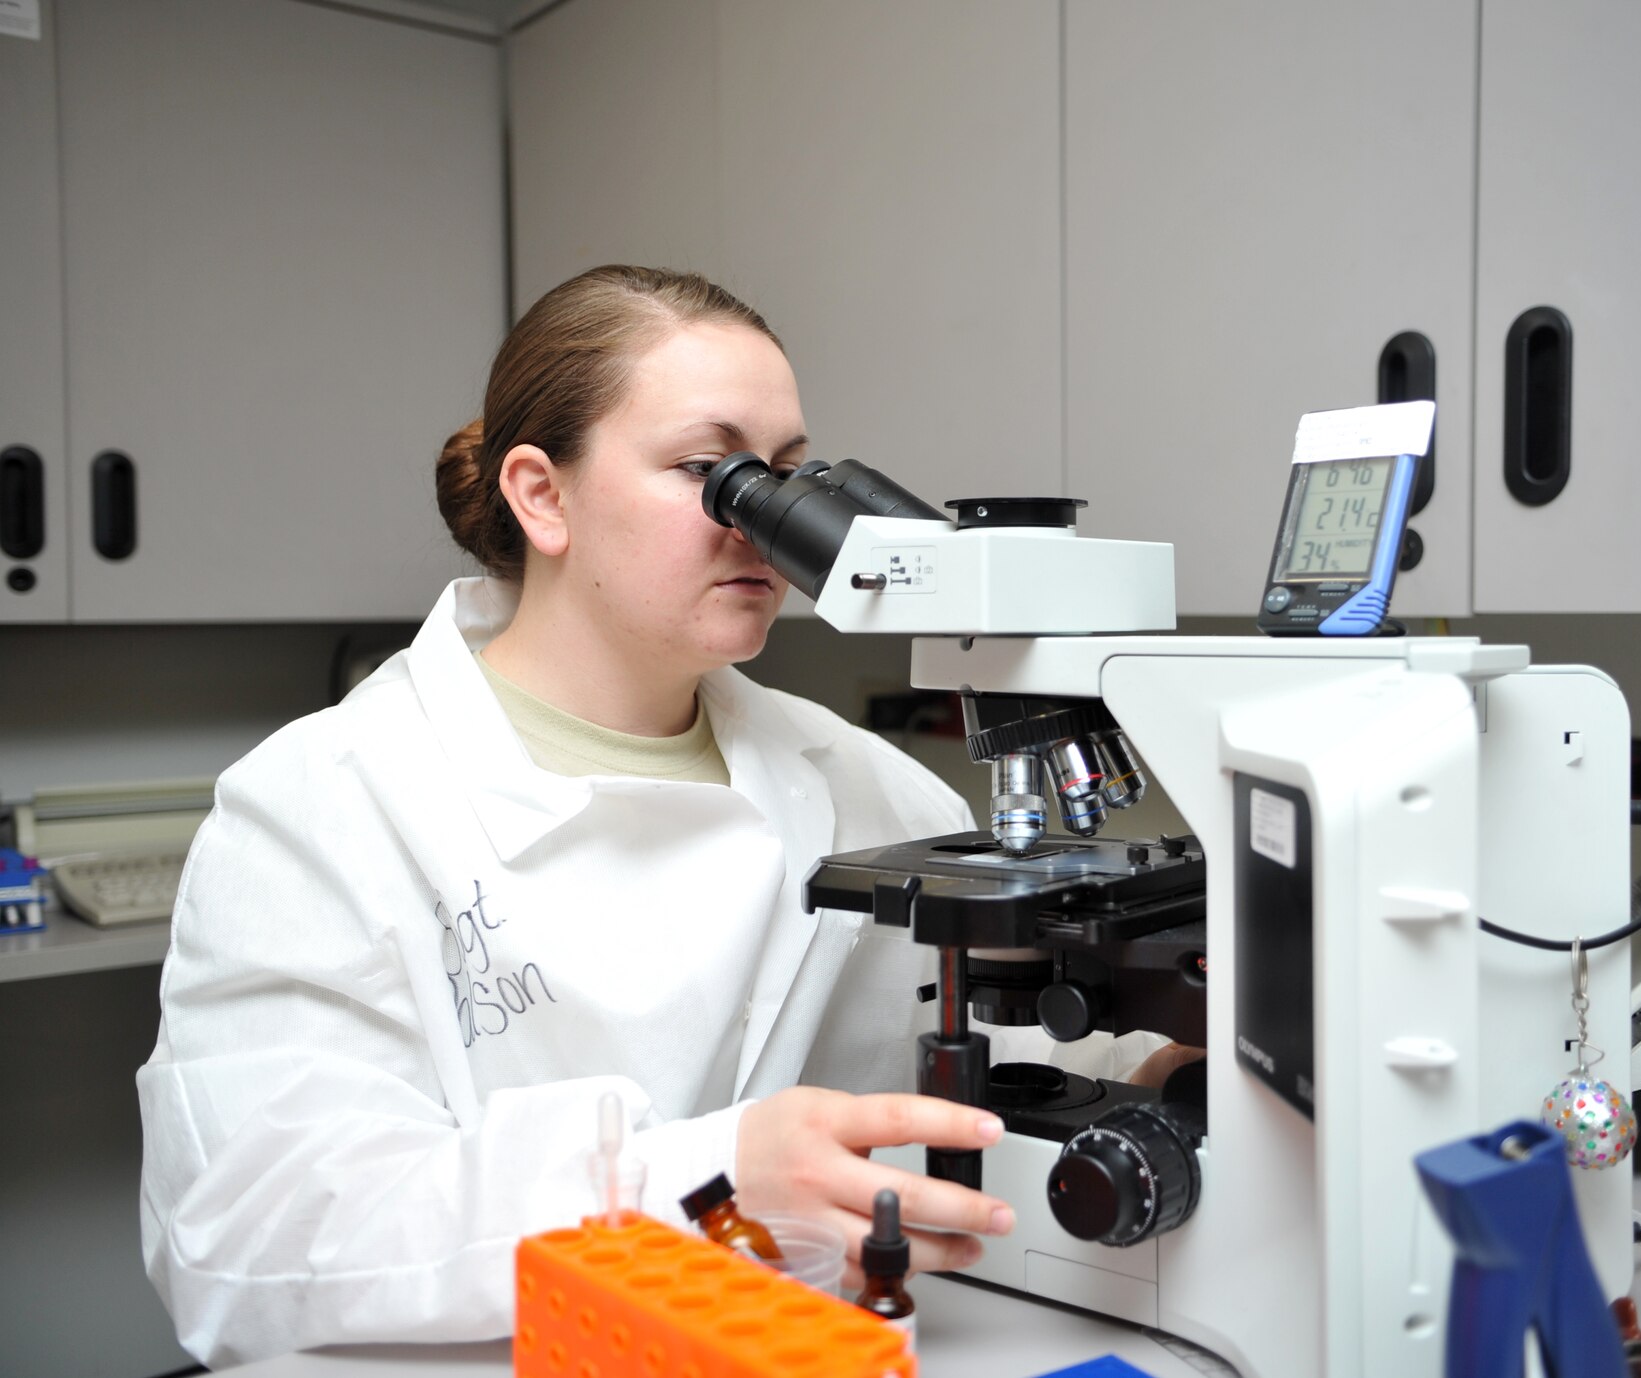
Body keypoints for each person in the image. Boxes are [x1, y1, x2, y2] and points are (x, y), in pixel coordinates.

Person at [137, 266, 1177, 1367]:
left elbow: (990, 1053)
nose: (768, 526)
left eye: (785, 475)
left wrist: (1151, 1069)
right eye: (710, 472)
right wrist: (691, 1180)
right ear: (542, 495)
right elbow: (242, 1242)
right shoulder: (326, 803)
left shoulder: (861, 782)